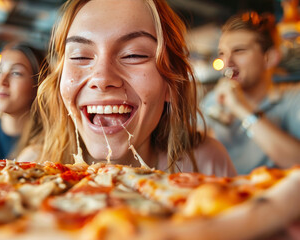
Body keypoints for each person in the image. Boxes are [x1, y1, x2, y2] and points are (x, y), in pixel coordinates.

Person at [17, 0, 236, 177]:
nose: (102, 78)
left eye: (134, 55)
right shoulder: (30, 169)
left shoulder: (206, 164)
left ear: (171, 83)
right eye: (80, 56)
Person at [201, 11, 300, 175]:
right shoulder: (212, 100)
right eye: (222, 53)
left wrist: (243, 110)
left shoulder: (293, 98)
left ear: (270, 58)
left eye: (239, 51)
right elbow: (188, 153)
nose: (227, 63)